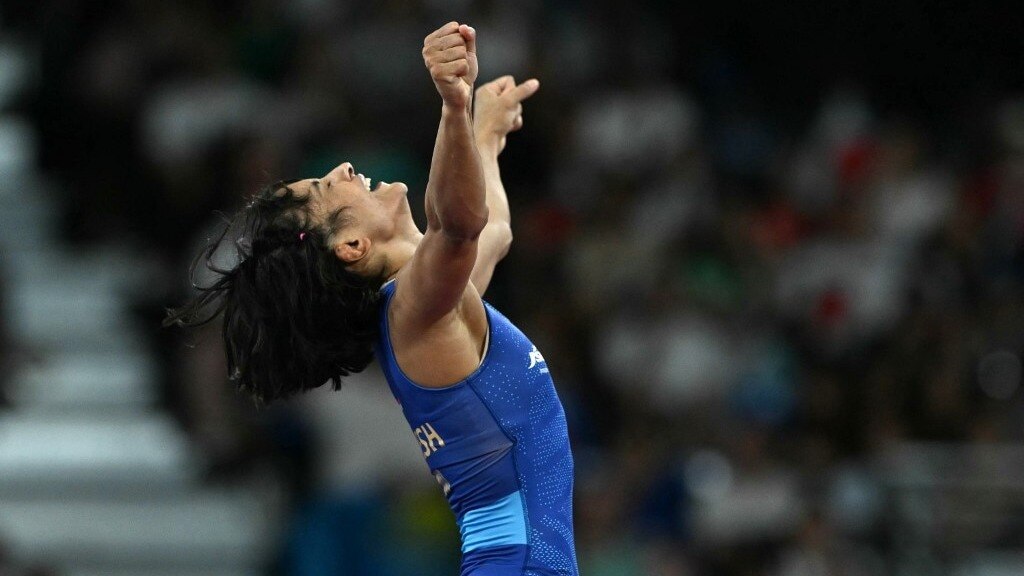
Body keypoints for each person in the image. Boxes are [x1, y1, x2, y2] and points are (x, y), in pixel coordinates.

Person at [166, 22, 578, 576]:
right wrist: (454, 108)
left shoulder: (434, 309)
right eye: (324, 188)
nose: (340, 169)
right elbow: (458, 223)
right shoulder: (415, 312)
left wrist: (483, 135)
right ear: (352, 246)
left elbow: (491, 230)